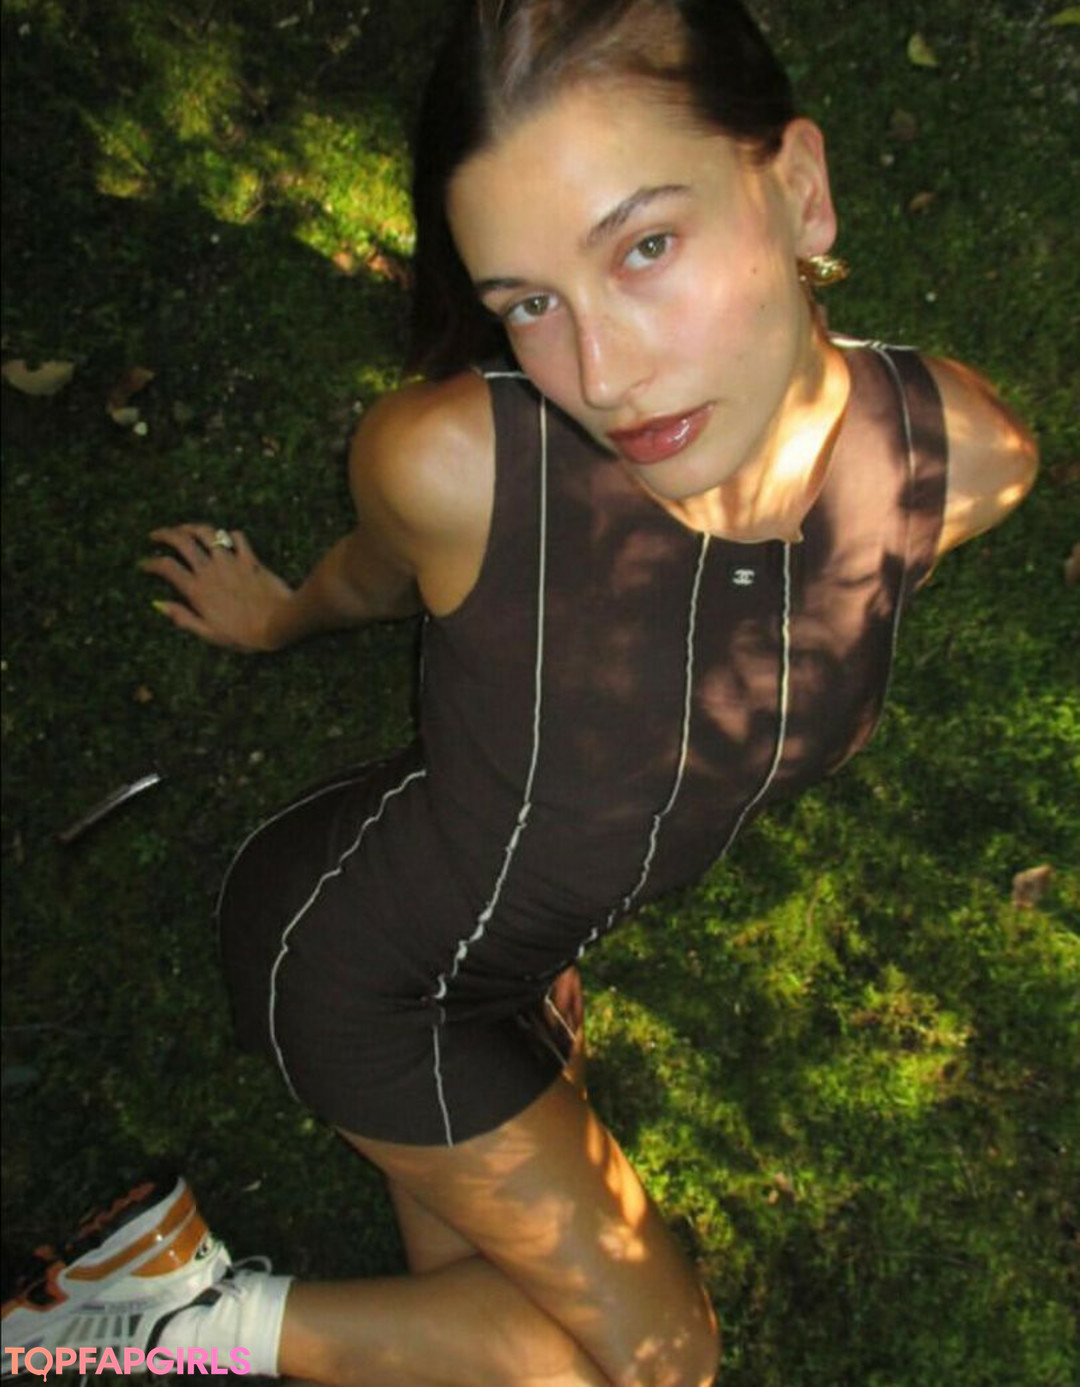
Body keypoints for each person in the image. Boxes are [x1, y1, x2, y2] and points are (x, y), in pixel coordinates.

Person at [2, 1, 1037, 1384]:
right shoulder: (457, 466)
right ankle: (172, 1325)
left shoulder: (963, 462)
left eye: (645, 247)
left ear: (799, 189)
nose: (603, 374)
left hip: (527, 971)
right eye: (529, 304)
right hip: (367, 971)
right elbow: (374, 577)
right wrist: (280, 618)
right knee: (666, 1364)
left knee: (539, 1364)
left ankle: (145, 1289)